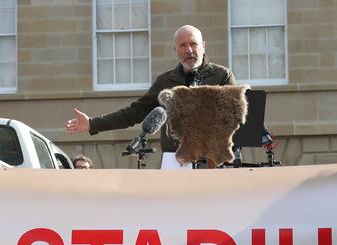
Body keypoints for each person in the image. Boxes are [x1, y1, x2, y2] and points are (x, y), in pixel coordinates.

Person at [65, 25, 235, 153]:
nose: (189, 50)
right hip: (175, 159)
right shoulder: (165, 81)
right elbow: (134, 113)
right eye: (183, 45)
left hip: (214, 158)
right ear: (175, 49)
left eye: (193, 44)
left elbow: (240, 116)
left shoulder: (222, 76)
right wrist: (92, 123)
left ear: (203, 46)